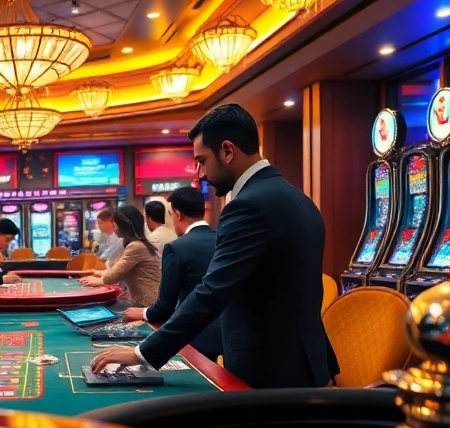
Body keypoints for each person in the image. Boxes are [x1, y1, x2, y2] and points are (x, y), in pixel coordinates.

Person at [93, 103, 339, 389]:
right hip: (305, 363)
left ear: (227, 150)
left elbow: (212, 292)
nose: (199, 173)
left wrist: (142, 352)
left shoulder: (248, 205)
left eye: (202, 160)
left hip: (270, 370)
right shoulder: (298, 198)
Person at [124, 186, 223, 359]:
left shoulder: (177, 247)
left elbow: (165, 305)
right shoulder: (224, 239)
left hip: (193, 336)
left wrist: (144, 313)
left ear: (177, 215)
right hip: (228, 334)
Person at [79, 204, 161, 308]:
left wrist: (99, 280)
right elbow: (119, 270)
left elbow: (112, 276)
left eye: (115, 223)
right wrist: (100, 274)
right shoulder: (136, 244)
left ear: (123, 225)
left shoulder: (136, 246)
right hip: (142, 302)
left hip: (147, 305)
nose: (114, 227)